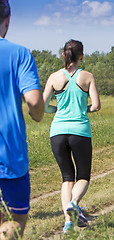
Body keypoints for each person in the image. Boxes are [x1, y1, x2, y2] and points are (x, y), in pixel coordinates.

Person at [43, 39, 101, 232]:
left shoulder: (53, 77)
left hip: (57, 132)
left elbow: (43, 105)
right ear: (81, 56)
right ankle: (74, 203)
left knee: (67, 177)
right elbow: (96, 105)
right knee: (83, 176)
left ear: (63, 55)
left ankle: (68, 223)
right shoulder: (88, 76)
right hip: (80, 131)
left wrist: (55, 110)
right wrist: (85, 110)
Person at [0, 1, 44, 239]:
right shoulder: (19, 53)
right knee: (14, 220)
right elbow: (35, 102)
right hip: (9, 156)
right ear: (8, 20)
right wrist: (36, 115)